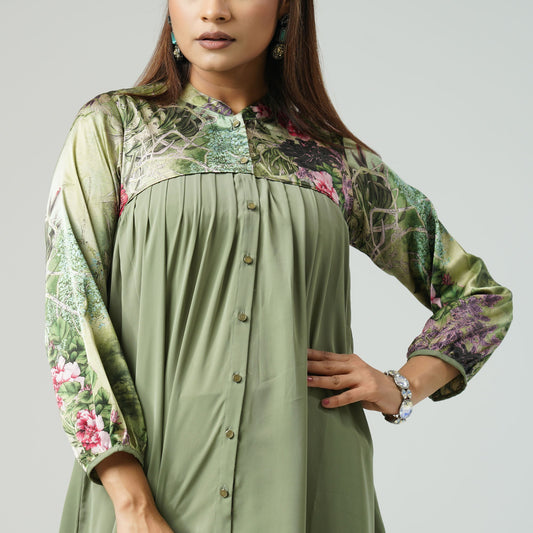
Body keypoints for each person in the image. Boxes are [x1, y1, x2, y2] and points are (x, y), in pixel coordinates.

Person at [43, 1, 513, 532]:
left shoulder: (335, 160)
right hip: (151, 486)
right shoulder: (116, 128)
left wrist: (400, 388)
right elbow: (71, 310)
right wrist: (131, 503)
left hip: (310, 478)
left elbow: (481, 298)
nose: (214, 11)